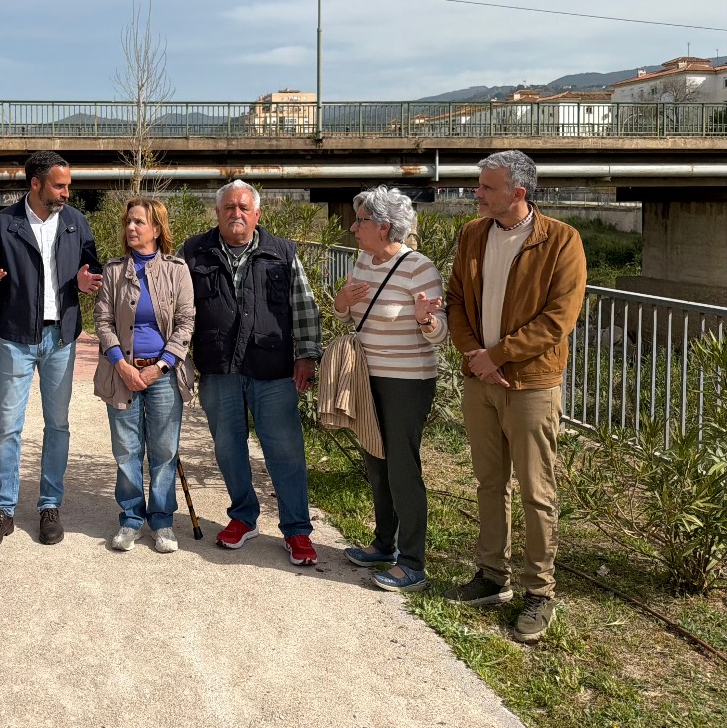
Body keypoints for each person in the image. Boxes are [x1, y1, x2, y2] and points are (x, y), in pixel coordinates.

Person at [443, 149, 586, 644]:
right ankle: (490, 576)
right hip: (481, 378)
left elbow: (558, 318)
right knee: (488, 481)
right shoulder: (472, 235)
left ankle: (539, 592)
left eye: (485, 187)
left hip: (531, 383)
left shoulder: (562, 241)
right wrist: (472, 352)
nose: (476, 193)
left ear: (518, 193)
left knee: (537, 490)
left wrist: (498, 354)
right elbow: (456, 297)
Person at [179, 180, 323, 566]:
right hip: (219, 368)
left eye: (244, 207)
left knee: (286, 452)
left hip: (272, 369)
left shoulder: (283, 253)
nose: (236, 213)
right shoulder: (193, 252)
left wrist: (307, 355)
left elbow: (304, 307)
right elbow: (175, 306)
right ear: (218, 212)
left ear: (257, 214)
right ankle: (243, 517)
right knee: (228, 448)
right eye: (229, 207)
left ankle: (296, 530)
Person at [0, 150, 102, 550]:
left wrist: (85, 282)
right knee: (7, 427)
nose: (66, 192)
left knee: (57, 425)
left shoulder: (76, 222)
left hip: (60, 339)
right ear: (36, 184)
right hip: (15, 337)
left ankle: (49, 506)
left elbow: (91, 269)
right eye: (59, 185)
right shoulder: (4, 223)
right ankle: (4, 510)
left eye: (67, 185)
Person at [332, 186, 448, 592]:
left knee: (402, 467)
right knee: (376, 462)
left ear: (383, 227)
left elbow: (440, 335)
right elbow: (347, 317)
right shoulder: (362, 260)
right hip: (368, 376)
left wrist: (425, 320)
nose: (352, 227)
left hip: (407, 381)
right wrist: (341, 301)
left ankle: (413, 561)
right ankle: (384, 544)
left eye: (360, 220)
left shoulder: (419, 268)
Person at [93, 197, 194, 553]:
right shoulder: (113, 271)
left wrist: (159, 367)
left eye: (139, 222)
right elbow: (103, 321)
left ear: (157, 228)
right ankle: (132, 518)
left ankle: (162, 521)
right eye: (128, 222)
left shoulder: (177, 269)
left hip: (163, 373)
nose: (131, 228)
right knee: (126, 450)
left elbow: (185, 323)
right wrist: (121, 364)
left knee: (164, 450)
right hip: (122, 372)